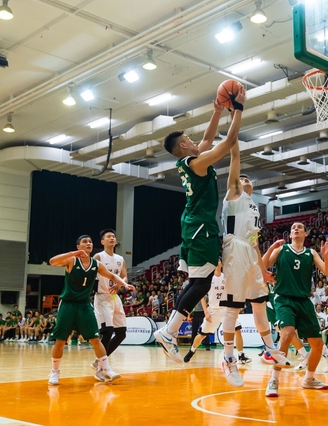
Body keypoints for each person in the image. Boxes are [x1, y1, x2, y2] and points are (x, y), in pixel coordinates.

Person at [155, 84, 246, 362]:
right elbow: (227, 143)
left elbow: (207, 139)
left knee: (198, 282)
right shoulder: (197, 164)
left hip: (193, 224)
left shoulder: (188, 162)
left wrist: (217, 112)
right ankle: (169, 331)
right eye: (189, 139)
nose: (195, 140)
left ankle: (169, 331)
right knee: (202, 284)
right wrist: (238, 109)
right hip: (201, 226)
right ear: (183, 145)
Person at [218, 126, 280, 388]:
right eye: (240, 178)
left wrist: (262, 269)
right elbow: (235, 158)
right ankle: (228, 358)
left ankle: (270, 349)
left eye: (247, 179)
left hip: (250, 253)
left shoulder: (254, 207)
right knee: (233, 308)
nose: (244, 180)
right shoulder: (234, 195)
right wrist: (234, 132)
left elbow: (255, 242)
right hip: (234, 248)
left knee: (260, 303)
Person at [47, 235, 134, 386]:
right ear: (78, 246)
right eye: (85, 242)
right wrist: (73, 253)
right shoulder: (72, 260)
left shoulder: (96, 264)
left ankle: (106, 369)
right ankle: (54, 372)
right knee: (60, 341)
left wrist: (125, 285)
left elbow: (112, 275)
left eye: (90, 242)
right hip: (68, 304)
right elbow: (52, 261)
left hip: (84, 305)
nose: (88, 243)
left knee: (95, 339)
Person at [262, 222, 328, 397]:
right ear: (290, 234)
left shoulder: (311, 253)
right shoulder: (282, 249)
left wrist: (326, 256)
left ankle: (309, 379)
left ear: (305, 234)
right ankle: (274, 380)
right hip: (284, 298)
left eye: (300, 227)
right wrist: (271, 248)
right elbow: (262, 267)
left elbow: (327, 272)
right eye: (293, 227)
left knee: (317, 344)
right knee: (287, 333)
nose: (296, 229)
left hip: (303, 300)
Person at [92, 229, 129, 368]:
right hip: (102, 297)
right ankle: (102, 366)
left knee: (121, 334)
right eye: (108, 236)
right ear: (102, 241)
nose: (112, 238)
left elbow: (124, 277)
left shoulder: (120, 259)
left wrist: (120, 284)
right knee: (107, 332)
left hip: (114, 297)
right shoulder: (98, 257)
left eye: (113, 236)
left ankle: (99, 361)